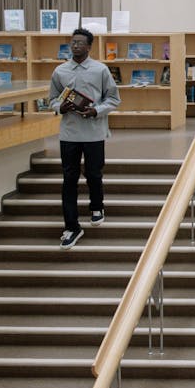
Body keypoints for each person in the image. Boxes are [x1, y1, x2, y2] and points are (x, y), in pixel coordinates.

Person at [48, 28, 120, 249]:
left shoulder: (100, 70)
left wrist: (96, 111)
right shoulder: (60, 71)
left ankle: (96, 206)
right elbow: (51, 100)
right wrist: (60, 107)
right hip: (69, 133)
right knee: (69, 178)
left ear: (89, 46)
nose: (76, 46)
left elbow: (114, 99)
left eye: (80, 43)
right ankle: (71, 226)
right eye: (73, 42)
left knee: (93, 173)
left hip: (94, 133)